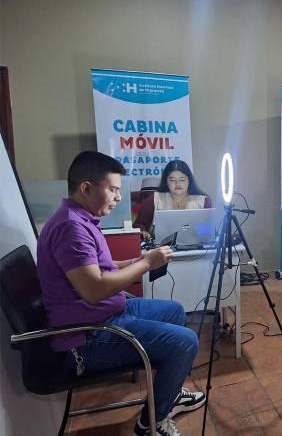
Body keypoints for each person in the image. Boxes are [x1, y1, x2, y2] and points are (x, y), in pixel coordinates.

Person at [37, 151, 205, 436]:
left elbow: (100, 267)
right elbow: (93, 289)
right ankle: (151, 424)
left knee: (175, 310)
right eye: (113, 189)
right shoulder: (70, 227)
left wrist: (136, 260)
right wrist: (146, 264)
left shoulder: (79, 218)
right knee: (185, 342)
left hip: (106, 314)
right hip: (87, 338)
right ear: (86, 188)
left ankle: (169, 393)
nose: (118, 198)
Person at [134, 160, 212, 239]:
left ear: (189, 180)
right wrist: (143, 232)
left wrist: (197, 231)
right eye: (172, 180)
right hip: (160, 245)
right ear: (166, 181)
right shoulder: (155, 199)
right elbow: (139, 225)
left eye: (182, 179)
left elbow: (209, 229)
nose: (178, 184)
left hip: (196, 244)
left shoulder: (203, 201)